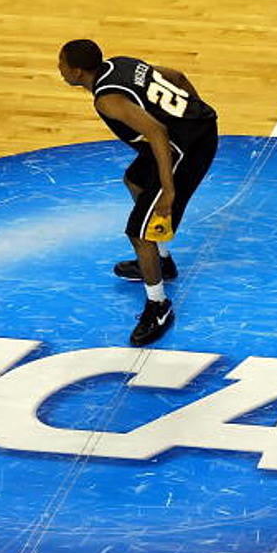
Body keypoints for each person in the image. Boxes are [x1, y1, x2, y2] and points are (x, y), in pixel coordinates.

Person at [58, 39, 218, 346]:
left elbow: (157, 132)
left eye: (61, 64)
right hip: (192, 137)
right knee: (135, 182)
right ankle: (164, 263)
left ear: (77, 72)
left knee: (140, 233)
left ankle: (158, 306)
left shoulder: (108, 100)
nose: (59, 69)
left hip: (182, 153)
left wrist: (169, 191)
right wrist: (195, 116)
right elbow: (178, 76)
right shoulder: (120, 64)